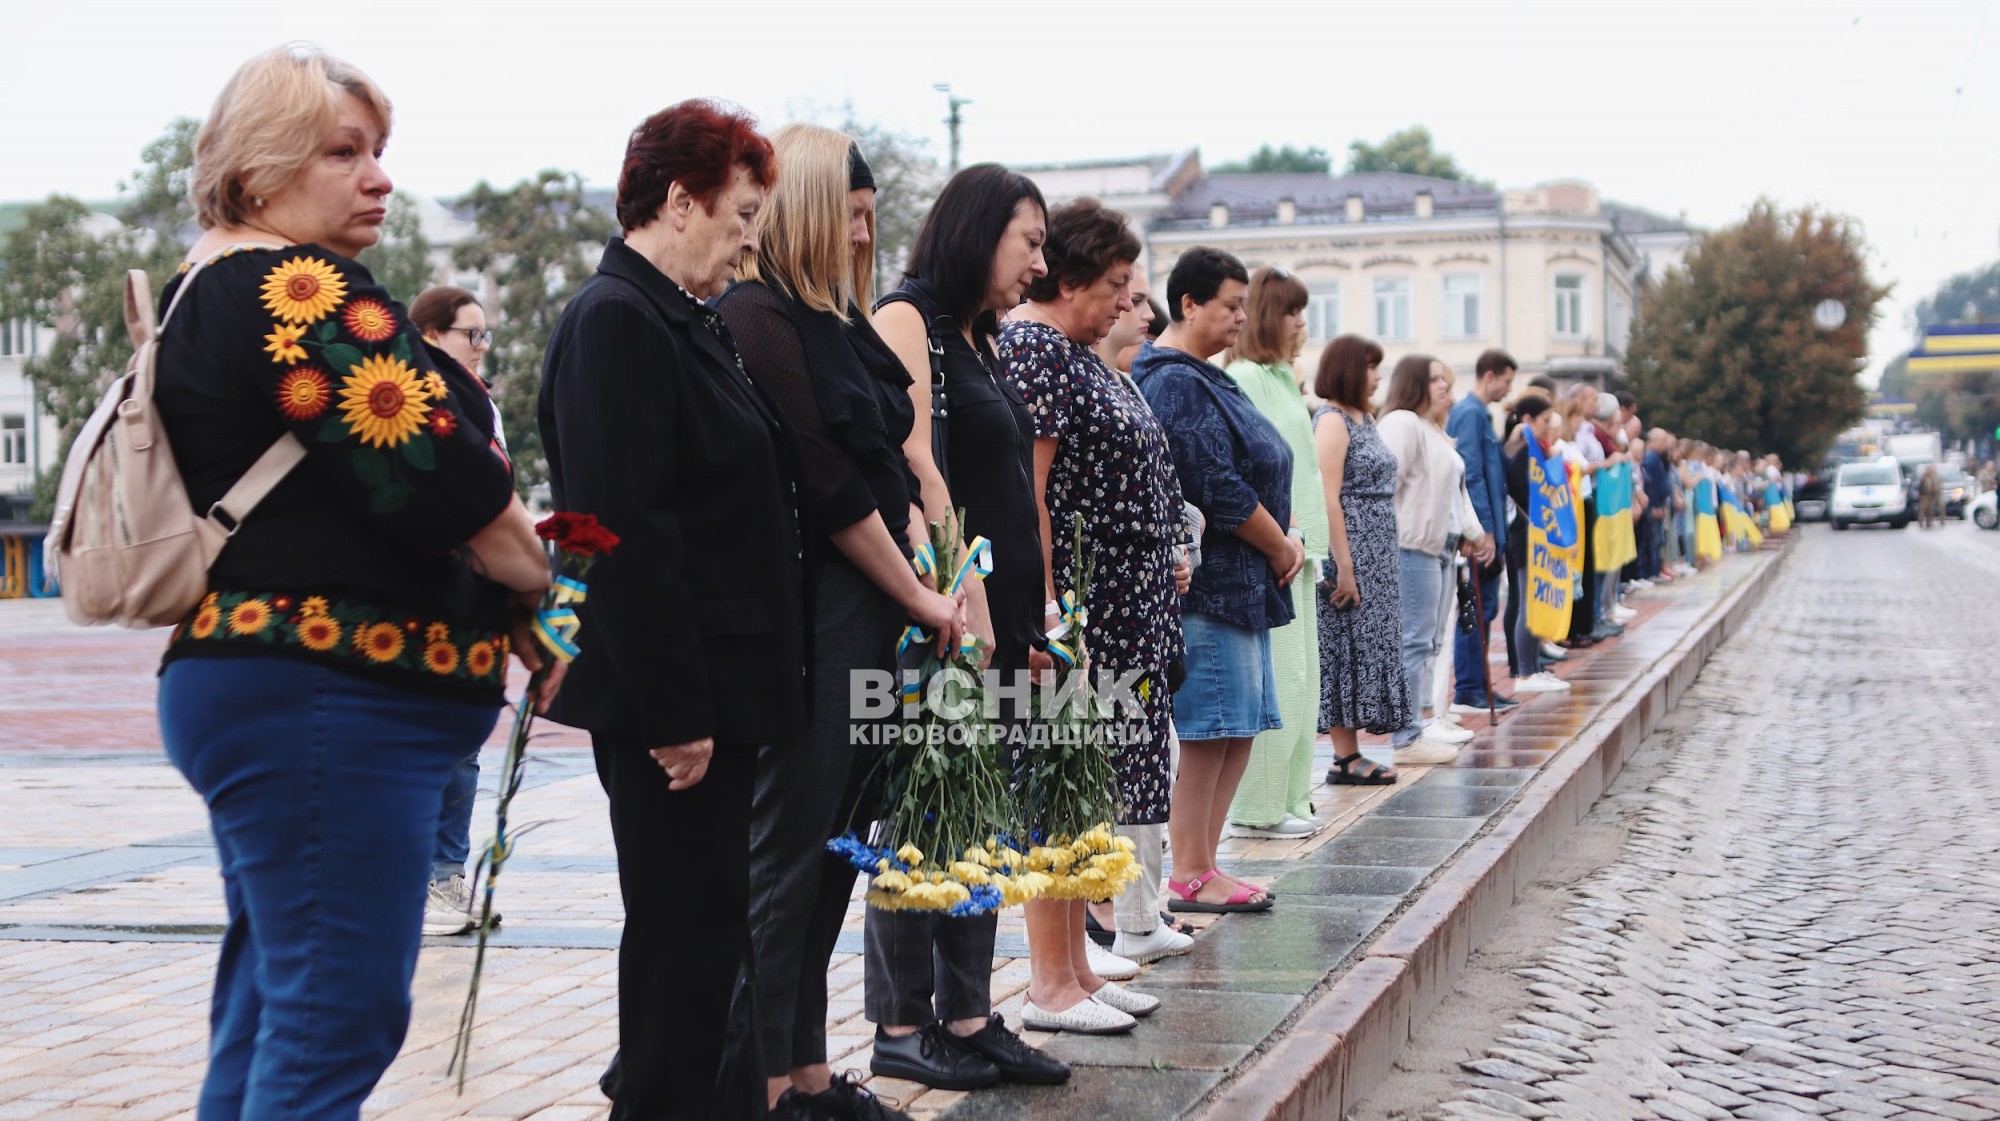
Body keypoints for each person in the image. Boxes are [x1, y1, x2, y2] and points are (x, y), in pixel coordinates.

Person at [155, 45, 552, 1117]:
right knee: (337, 1017)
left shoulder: (212, 284)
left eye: (380, 152)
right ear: (257, 166)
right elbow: (439, 473)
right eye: (344, 152)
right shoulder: (290, 284)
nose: (378, 177)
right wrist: (533, 580)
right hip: (328, 696)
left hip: (281, 690)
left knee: (275, 1005)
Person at [539, 99, 804, 1121]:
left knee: (707, 941)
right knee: (678, 951)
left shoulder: (677, 317)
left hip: (721, 685)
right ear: (679, 201)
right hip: (677, 702)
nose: (748, 238)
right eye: (739, 215)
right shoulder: (616, 319)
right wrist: (675, 710)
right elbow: (625, 530)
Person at [712, 124, 967, 1120]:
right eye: (850, 218)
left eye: (872, 221)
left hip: (875, 605)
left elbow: (889, 463)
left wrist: (923, 577)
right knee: (787, 860)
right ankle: (755, 1083)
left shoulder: (833, 320)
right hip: (821, 612)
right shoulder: (757, 315)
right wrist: (913, 589)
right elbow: (825, 482)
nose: (863, 238)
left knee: (833, 857)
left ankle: (807, 1074)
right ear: (809, 210)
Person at [873, 164, 1077, 1076]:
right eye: (1029, 242)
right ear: (976, 231)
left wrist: (1033, 618)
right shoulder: (908, 320)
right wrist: (968, 595)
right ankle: (902, 1026)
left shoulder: (978, 336)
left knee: (979, 818)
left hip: (998, 630)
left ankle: (965, 1015)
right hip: (947, 625)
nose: (1040, 263)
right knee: (924, 815)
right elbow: (915, 463)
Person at [998, 197, 1188, 1031]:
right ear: (1067, 279)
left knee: (1088, 787)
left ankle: (1076, 965)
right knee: (1059, 782)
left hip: (1120, 603)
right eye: (1113, 285)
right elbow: (1029, 492)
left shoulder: (1075, 353)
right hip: (1081, 603)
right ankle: (1049, 984)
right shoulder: (1036, 349)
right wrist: (1044, 604)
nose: (1125, 304)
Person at [1133, 246, 1290, 916]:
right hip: (1212, 585)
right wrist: (1280, 541)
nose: (1240, 318)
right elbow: (1213, 483)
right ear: (1188, 303)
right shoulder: (1172, 380)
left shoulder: (1206, 375)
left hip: (1244, 583)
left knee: (1239, 727)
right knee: (1209, 728)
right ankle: (1190, 867)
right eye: (1229, 305)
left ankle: (1205, 860)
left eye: (1243, 306)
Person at [406, 284, 505, 937]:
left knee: (466, 747)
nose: (480, 346)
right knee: (431, 743)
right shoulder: (415, 400)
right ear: (432, 336)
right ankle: (422, 879)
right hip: (431, 597)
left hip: (480, 597)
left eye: (484, 335)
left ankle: (447, 874)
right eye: (472, 333)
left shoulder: (483, 404)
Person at [1219, 267, 1328, 837]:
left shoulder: (1282, 377)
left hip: (1301, 551)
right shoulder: (1246, 377)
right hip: (1276, 551)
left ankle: (1291, 798)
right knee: (1278, 681)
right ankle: (1256, 809)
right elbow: (1254, 464)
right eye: (1292, 312)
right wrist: (1282, 535)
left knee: (1304, 682)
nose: (1302, 323)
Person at [1377, 355, 1490, 766]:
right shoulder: (1403, 423)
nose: (1444, 386)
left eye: (1445, 378)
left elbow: (1454, 494)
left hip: (1439, 546)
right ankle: (1406, 736)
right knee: (1414, 640)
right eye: (1435, 379)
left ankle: (1421, 723)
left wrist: (1469, 533)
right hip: (1412, 546)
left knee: (1429, 641)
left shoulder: (1432, 430)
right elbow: (1384, 488)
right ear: (1413, 383)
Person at [1313, 335, 1407, 783]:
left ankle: (1352, 751)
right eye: (1371, 367)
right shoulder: (1331, 420)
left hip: (1378, 549)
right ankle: (1345, 756)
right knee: (1344, 646)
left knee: (1369, 644)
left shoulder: (1365, 418)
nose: (1378, 376)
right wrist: (1344, 566)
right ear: (1351, 369)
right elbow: (1328, 497)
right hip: (1351, 549)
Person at [1447, 349, 1517, 717]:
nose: (1508, 389)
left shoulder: (1481, 414)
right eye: (1506, 381)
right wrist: (1484, 531)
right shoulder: (1470, 413)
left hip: (1492, 530)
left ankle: (1480, 685)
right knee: (1475, 609)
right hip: (1482, 533)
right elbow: (1470, 475)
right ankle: (1470, 688)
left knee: (1485, 608)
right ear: (1490, 376)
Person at [1503, 396, 1570, 694]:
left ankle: (1533, 667)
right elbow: (1522, 492)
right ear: (1529, 420)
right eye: (1545, 421)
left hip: (1537, 536)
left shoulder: (1535, 450)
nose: (1548, 427)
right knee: (1528, 605)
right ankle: (1525, 672)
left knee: (1535, 602)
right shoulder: (1523, 452)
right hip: (1525, 536)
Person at [1919, 462, 1941, 529]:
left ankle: (1929, 522)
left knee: (1930, 510)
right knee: (1923, 510)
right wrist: (1922, 495)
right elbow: (1920, 487)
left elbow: (1934, 486)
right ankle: (1921, 522)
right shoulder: (1923, 477)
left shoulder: (1931, 477)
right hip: (1925, 496)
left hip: (1931, 496)